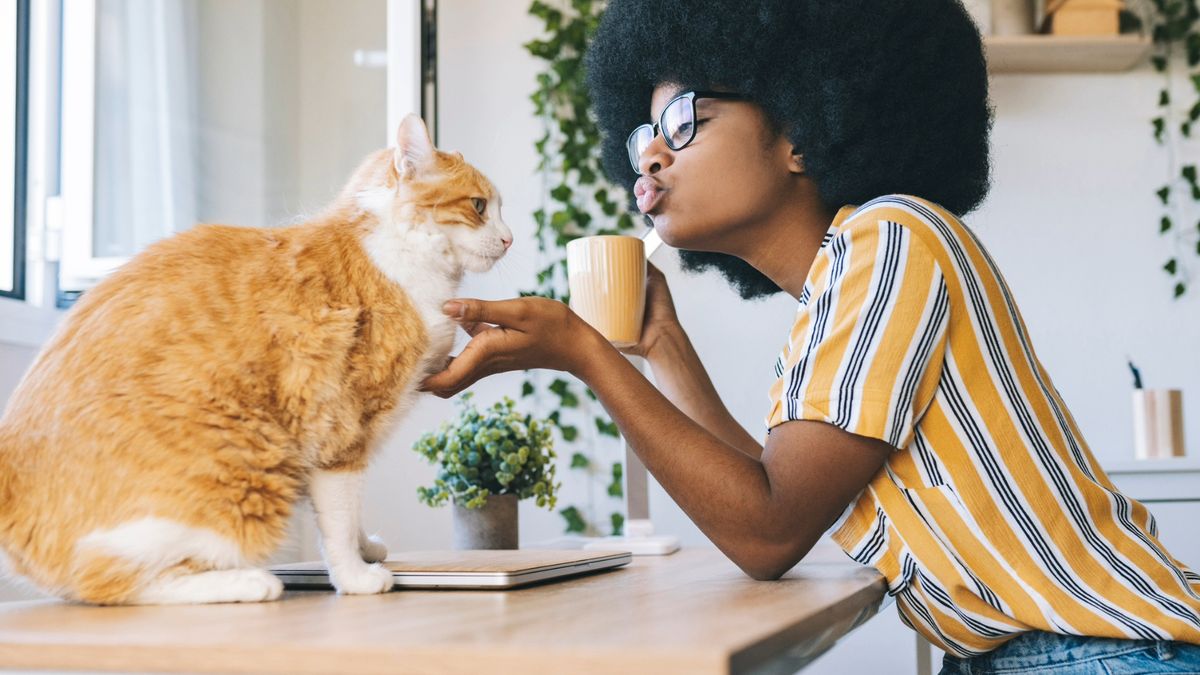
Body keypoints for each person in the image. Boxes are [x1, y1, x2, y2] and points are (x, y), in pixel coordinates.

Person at [420, 1, 1200, 672]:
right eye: (644, 135)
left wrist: (582, 352)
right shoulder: (840, 287)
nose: (651, 153)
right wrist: (662, 346)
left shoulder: (894, 239)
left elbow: (767, 530)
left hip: (1109, 650)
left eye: (685, 118)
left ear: (799, 130)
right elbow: (765, 484)